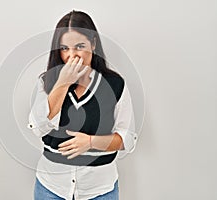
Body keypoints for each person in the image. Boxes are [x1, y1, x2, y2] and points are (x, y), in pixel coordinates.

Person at [28, 10, 138, 200]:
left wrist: (90, 142)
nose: (72, 55)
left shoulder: (115, 85)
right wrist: (62, 83)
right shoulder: (47, 82)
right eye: (64, 48)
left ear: (93, 44)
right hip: (51, 188)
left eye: (79, 46)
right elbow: (37, 127)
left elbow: (127, 139)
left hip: (99, 189)